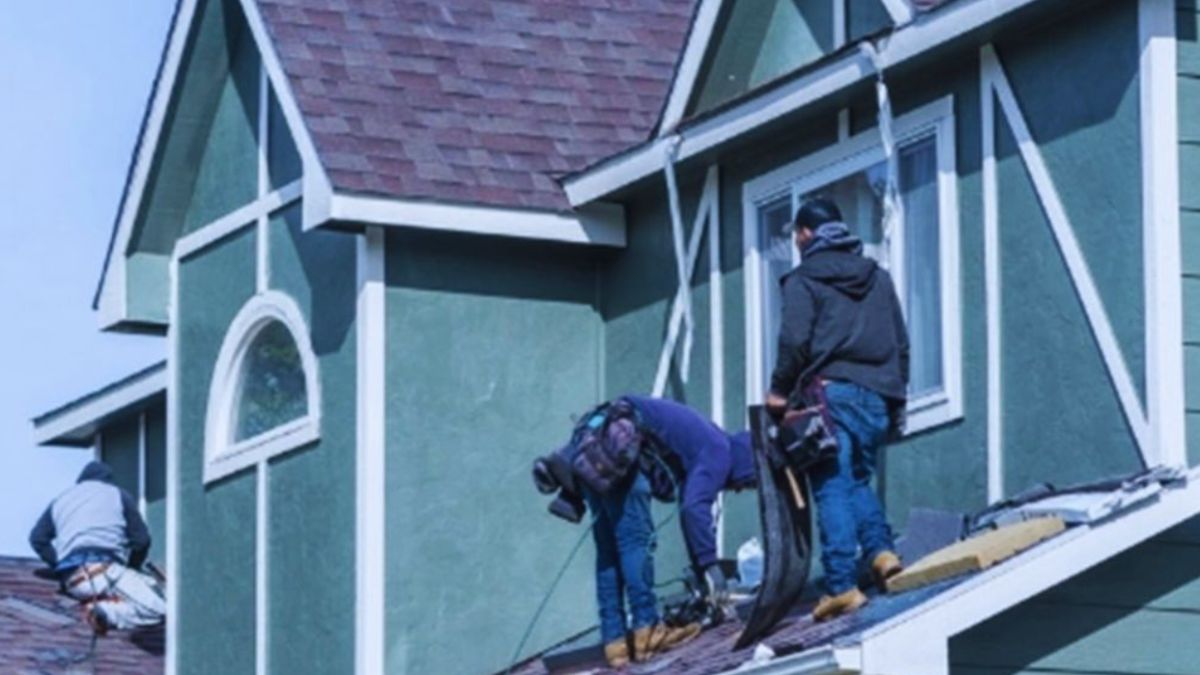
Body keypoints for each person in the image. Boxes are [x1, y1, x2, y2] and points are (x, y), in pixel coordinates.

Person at [765, 197, 909, 622]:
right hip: (878, 395)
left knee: (829, 484)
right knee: (856, 479)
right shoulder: (878, 278)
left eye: (795, 234)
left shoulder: (803, 280)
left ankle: (841, 585)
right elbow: (900, 342)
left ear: (806, 234)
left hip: (831, 395)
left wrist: (778, 392)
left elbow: (794, 342)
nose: (794, 242)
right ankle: (882, 553)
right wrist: (896, 399)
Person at [534, 397, 755, 668]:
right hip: (616, 448)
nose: (737, 488)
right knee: (634, 542)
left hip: (593, 448)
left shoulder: (704, 437)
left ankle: (614, 642)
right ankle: (647, 629)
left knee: (608, 553)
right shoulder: (720, 450)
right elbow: (693, 508)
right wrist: (710, 567)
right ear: (747, 465)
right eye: (745, 484)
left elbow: (681, 495)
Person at [28, 461, 165, 633]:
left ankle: (105, 606)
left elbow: (37, 539)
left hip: (73, 583)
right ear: (107, 481)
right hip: (104, 572)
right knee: (161, 608)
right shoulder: (117, 495)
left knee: (150, 587)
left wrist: (59, 566)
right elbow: (142, 541)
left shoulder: (61, 500)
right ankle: (106, 612)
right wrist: (132, 567)